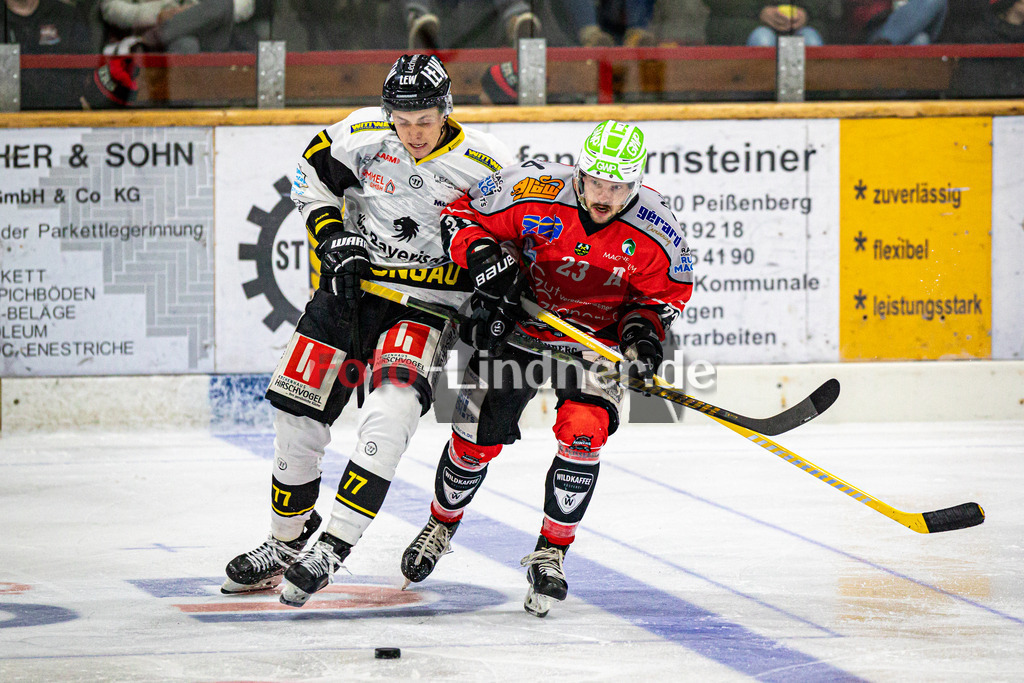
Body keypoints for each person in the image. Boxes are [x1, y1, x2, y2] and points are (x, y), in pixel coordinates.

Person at [220, 54, 513, 607]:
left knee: (391, 409)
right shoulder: (360, 134)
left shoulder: (487, 162)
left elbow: (519, 231)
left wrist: (497, 273)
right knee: (295, 411)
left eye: (425, 119)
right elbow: (310, 176)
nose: (414, 133)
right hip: (354, 292)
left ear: (446, 110)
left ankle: (332, 546)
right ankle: (285, 543)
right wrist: (334, 236)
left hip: (427, 305)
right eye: (403, 121)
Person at [399, 120, 694, 617]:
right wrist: (484, 257)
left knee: (585, 432)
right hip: (520, 327)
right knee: (475, 436)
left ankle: (551, 552)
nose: (604, 195)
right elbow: (459, 215)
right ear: (580, 174)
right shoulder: (534, 189)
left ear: (637, 184)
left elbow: (661, 297)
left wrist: (642, 336)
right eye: (597, 182)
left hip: (594, 343)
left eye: (618, 186)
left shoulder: (659, 232)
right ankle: (441, 523)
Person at [99, 0, 253, 52]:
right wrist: (156, 15)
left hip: (208, 33)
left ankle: (151, 39)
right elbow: (109, 7)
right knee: (186, 45)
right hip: (159, 34)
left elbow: (245, 5)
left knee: (222, 3)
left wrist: (194, 12)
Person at [704, 0, 831, 45]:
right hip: (740, 22)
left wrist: (805, 12)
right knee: (762, 40)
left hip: (805, 24)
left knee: (810, 41)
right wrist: (760, 12)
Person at [843, 0, 947, 44]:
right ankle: (886, 43)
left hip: (906, 29)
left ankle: (887, 43)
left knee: (921, 40)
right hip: (872, 32)